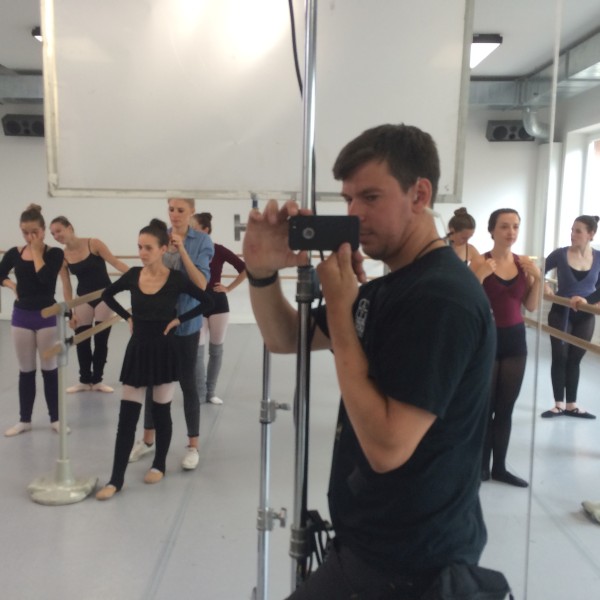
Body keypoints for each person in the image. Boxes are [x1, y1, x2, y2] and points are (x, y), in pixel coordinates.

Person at [243, 124, 496, 599]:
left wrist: (341, 312)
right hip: (371, 548)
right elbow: (283, 337)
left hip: (410, 567)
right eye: (348, 199)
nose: (355, 214)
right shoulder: (386, 289)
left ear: (419, 194)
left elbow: (387, 447)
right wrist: (260, 271)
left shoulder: (441, 299)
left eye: (371, 197)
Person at [95, 219, 213, 500]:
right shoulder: (133, 275)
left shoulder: (176, 279)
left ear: (163, 249)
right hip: (138, 349)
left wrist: (179, 320)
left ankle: (159, 464)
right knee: (127, 417)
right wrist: (127, 317)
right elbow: (107, 295)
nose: (142, 253)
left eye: (148, 248)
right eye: (139, 247)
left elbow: (208, 301)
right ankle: (116, 479)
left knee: (161, 411)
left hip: (164, 350)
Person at [128, 198, 214, 471]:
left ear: (191, 212)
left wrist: (183, 251)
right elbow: (148, 274)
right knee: (153, 381)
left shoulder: (202, 241)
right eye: (171, 210)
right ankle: (148, 440)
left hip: (186, 323)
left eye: (181, 210)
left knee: (188, 384)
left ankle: (193, 446)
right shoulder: (159, 237)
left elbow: (201, 284)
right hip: (157, 323)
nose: (175, 215)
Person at [475, 209, 541, 488]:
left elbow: (531, 306)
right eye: (504, 226)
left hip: (515, 341)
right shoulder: (480, 262)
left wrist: (537, 278)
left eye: (515, 226)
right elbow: (470, 304)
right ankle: (480, 468)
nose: (511, 232)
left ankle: (499, 467)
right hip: (487, 341)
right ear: (492, 230)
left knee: (505, 409)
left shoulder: (523, 264)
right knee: (485, 408)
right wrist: (478, 277)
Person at [0, 204, 65, 436]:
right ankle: (24, 420)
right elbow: (0, 273)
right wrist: (11, 285)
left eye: (34, 232)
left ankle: (56, 419)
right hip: (22, 317)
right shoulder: (14, 253)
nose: (30, 237)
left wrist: (37, 251)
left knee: (49, 369)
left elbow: (45, 278)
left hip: (47, 316)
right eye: (25, 232)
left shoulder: (55, 254)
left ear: (43, 230)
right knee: (26, 370)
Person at [49, 216, 130, 393]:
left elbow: (115, 262)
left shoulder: (93, 243)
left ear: (70, 228)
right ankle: (85, 380)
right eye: (53, 234)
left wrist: (138, 275)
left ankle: (98, 380)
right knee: (82, 340)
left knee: (101, 341)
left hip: (104, 296)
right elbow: (66, 285)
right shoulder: (62, 256)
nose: (56, 236)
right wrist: (70, 312)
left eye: (58, 231)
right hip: (82, 298)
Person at [540, 215, 600, 419]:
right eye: (572, 230)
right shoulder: (560, 254)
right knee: (560, 357)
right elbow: (539, 271)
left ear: (591, 234)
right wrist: (545, 286)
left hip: (585, 315)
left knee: (575, 359)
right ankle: (558, 404)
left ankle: (571, 405)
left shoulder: (599, 257)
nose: (572, 234)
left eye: (578, 231)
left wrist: (588, 300)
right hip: (561, 311)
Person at [190, 212, 247, 405]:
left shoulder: (218, 250)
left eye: (194, 228)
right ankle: (200, 392)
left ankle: (211, 391)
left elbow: (244, 268)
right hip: (196, 303)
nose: (191, 232)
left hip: (217, 303)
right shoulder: (188, 251)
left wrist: (228, 288)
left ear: (205, 230)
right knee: (197, 350)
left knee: (216, 350)